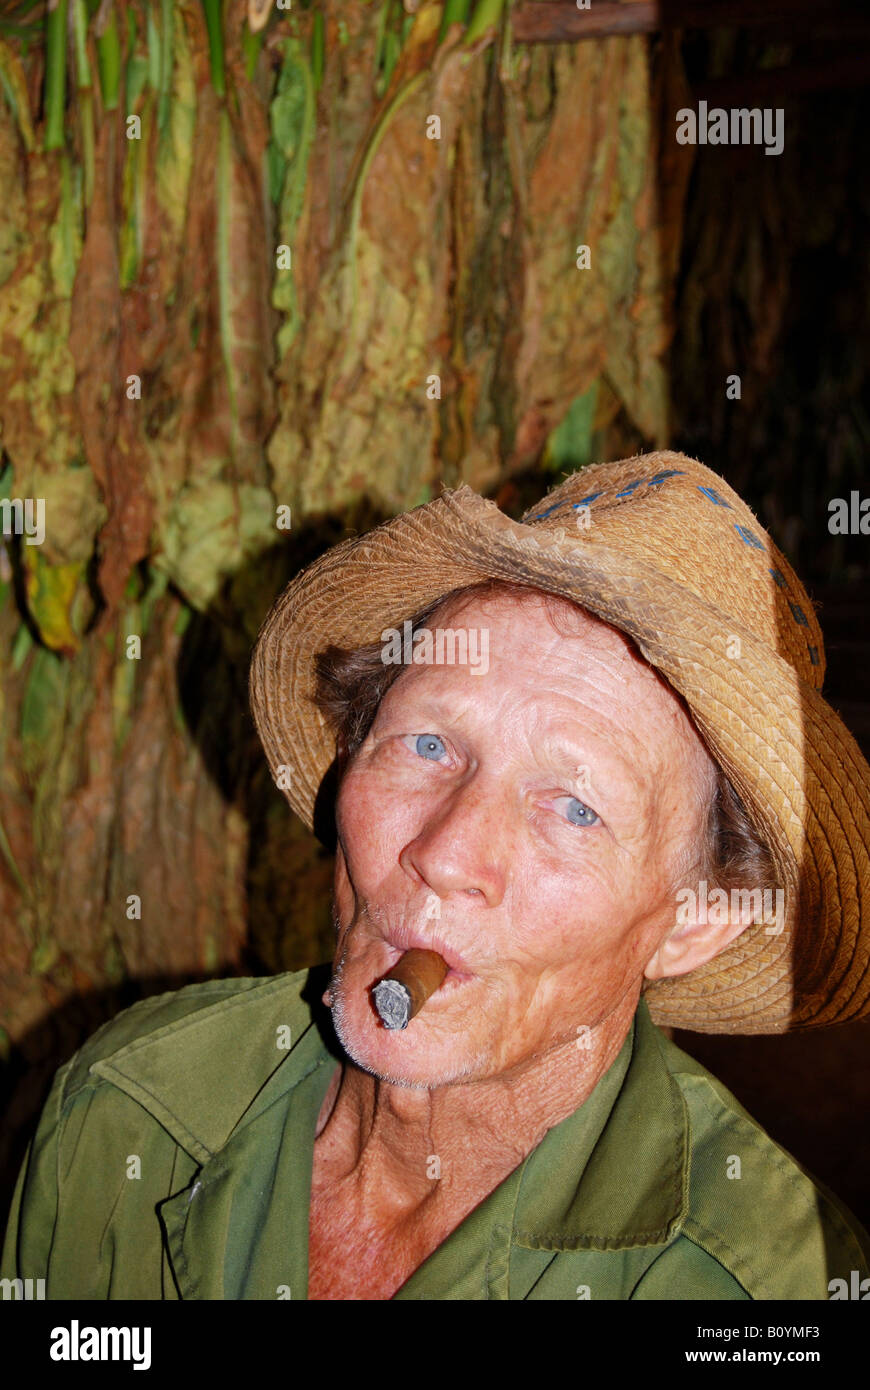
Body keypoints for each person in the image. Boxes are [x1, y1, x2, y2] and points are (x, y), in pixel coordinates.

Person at [3, 449, 870, 1300]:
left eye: (573, 806)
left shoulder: (762, 1288)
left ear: (693, 921)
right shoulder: (128, 1110)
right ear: (350, 755)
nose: (446, 853)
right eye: (427, 745)